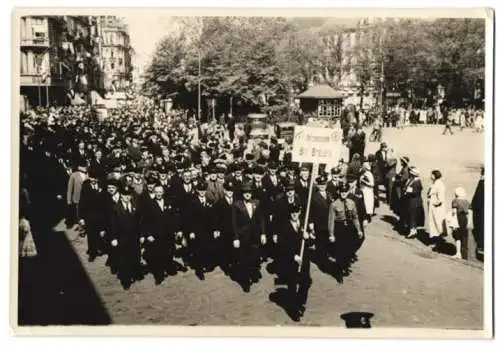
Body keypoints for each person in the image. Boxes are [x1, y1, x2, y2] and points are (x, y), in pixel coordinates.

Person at [278, 204, 313, 321]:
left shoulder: (304, 223)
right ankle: (293, 311)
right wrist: (293, 256)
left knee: (306, 282)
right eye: (292, 212)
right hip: (291, 261)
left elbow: (312, 242)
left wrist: (308, 237)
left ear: (300, 213)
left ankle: (300, 304)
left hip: (304, 259)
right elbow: (281, 246)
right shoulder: (284, 226)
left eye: (296, 212)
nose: (294, 214)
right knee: (292, 285)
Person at [231, 182, 266, 292]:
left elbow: (261, 219)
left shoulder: (257, 203)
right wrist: (236, 238)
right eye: (245, 193)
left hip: (254, 235)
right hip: (243, 236)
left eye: (249, 193)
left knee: (255, 256)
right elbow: (234, 223)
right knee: (243, 258)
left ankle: (253, 274)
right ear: (242, 194)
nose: (247, 195)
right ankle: (245, 282)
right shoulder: (237, 205)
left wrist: (263, 233)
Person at [141, 183, 178, 284]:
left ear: (163, 192)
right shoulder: (149, 204)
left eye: (160, 192)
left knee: (169, 252)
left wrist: (177, 230)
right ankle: (159, 275)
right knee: (157, 255)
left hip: (169, 234)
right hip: (156, 235)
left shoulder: (169, 202)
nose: (158, 194)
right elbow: (145, 221)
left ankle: (169, 267)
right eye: (156, 192)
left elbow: (174, 217)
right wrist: (148, 235)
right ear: (153, 192)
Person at [108, 183, 142, 289]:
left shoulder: (134, 206)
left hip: (134, 237)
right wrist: (113, 238)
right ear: (121, 195)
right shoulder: (115, 208)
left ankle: (134, 273)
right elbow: (112, 224)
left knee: (135, 256)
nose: (127, 197)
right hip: (122, 238)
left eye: (129, 195)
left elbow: (139, 222)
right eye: (124, 195)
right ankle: (125, 280)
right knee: (123, 259)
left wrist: (141, 235)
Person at [328, 183, 363, 279]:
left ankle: (345, 266)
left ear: (348, 192)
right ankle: (338, 272)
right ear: (339, 192)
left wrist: (359, 230)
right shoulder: (334, 205)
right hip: (339, 228)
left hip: (349, 228)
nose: (343, 193)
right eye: (342, 192)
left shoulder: (351, 203)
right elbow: (331, 221)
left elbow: (355, 217)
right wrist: (331, 234)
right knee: (340, 250)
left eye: (345, 192)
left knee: (349, 249)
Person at [66, 160, 88, 230]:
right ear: (79, 167)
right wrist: (69, 200)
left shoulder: (87, 175)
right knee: (79, 214)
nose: (85, 167)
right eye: (83, 166)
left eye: (86, 166)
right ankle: (81, 228)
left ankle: (83, 226)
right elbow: (70, 189)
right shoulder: (74, 175)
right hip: (77, 198)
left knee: (85, 213)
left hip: (86, 198)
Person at [404, 166, 425, 238]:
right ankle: (413, 230)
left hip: (414, 202)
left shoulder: (417, 182)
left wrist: (407, 191)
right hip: (412, 201)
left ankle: (412, 231)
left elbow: (415, 192)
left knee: (413, 216)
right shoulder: (413, 180)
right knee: (411, 215)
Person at [451, 187, 471, 260]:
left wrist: (453, 222)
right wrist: (469, 222)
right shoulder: (467, 202)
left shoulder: (455, 201)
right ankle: (464, 255)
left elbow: (454, 212)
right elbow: (470, 212)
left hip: (458, 218)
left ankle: (458, 253)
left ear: (456, 193)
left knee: (457, 237)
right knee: (464, 237)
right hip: (465, 219)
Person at [426, 170, 446, 243]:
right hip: (433, 207)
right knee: (433, 222)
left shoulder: (439, 184)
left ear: (435, 175)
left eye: (432, 175)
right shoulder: (435, 183)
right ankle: (435, 238)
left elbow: (441, 198)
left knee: (437, 222)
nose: (431, 176)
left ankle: (438, 240)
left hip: (437, 208)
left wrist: (435, 204)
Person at [471, 167, 484, 256]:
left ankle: (481, 246)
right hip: (481, 209)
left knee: (480, 227)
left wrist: (472, 205)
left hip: (481, 210)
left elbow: (477, 197)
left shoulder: (482, 183)